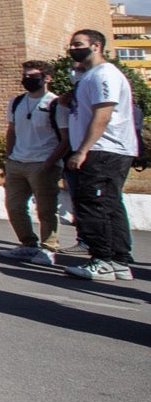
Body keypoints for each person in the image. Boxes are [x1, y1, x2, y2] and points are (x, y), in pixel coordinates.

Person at [60, 29, 138, 282]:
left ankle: (102, 260)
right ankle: (119, 261)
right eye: (71, 44)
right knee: (109, 205)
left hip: (103, 150)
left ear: (96, 46)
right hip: (102, 151)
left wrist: (82, 150)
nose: (73, 48)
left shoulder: (105, 74)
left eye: (78, 44)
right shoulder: (88, 76)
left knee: (94, 206)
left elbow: (103, 114)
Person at [0, 59, 64, 266]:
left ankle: (48, 248)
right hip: (17, 162)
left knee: (45, 209)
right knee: (14, 206)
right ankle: (28, 243)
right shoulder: (17, 102)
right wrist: (9, 158)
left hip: (43, 163)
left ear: (47, 78)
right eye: (25, 76)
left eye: (33, 76)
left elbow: (65, 137)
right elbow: (12, 131)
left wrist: (51, 162)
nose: (27, 80)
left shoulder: (55, 104)